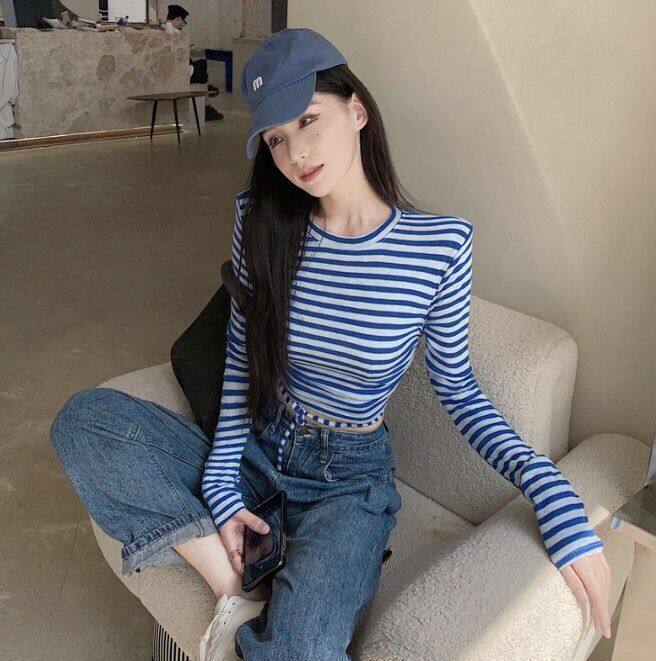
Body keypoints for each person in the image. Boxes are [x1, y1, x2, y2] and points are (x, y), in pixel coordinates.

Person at [49, 27, 612, 661]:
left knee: (305, 648)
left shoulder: (440, 246)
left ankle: (261, 588)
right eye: (275, 138)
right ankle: (235, 586)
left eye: (309, 119)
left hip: (347, 483)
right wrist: (223, 482)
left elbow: (459, 390)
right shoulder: (260, 220)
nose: (295, 152)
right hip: (261, 443)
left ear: (357, 110)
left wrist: (550, 490)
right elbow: (242, 356)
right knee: (85, 423)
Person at [164, 4, 223, 121]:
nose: (183, 24)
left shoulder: (165, 28)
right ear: (177, 18)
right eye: (182, 21)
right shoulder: (175, 32)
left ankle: (207, 100)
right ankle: (207, 105)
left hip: (179, 70)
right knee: (203, 64)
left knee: (202, 70)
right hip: (183, 74)